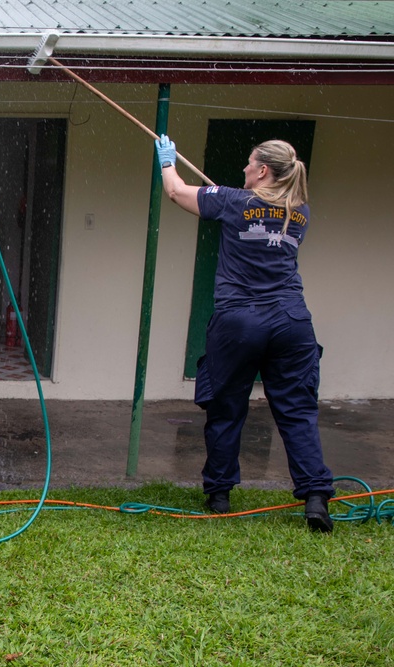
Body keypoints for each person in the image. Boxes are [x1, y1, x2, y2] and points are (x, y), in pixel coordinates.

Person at [156, 135, 334, 532]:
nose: (244, 169)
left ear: (263, 170)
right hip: (292, 323)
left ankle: (219, 495)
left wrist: (167, 161)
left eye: (249, 164)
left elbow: (175, 192)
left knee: (227, 407)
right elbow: (253, 210)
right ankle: (316, 498)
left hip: (240, 322)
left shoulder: (236, 201)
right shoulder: (299, 211)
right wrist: (225, 197)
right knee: (297, 411)